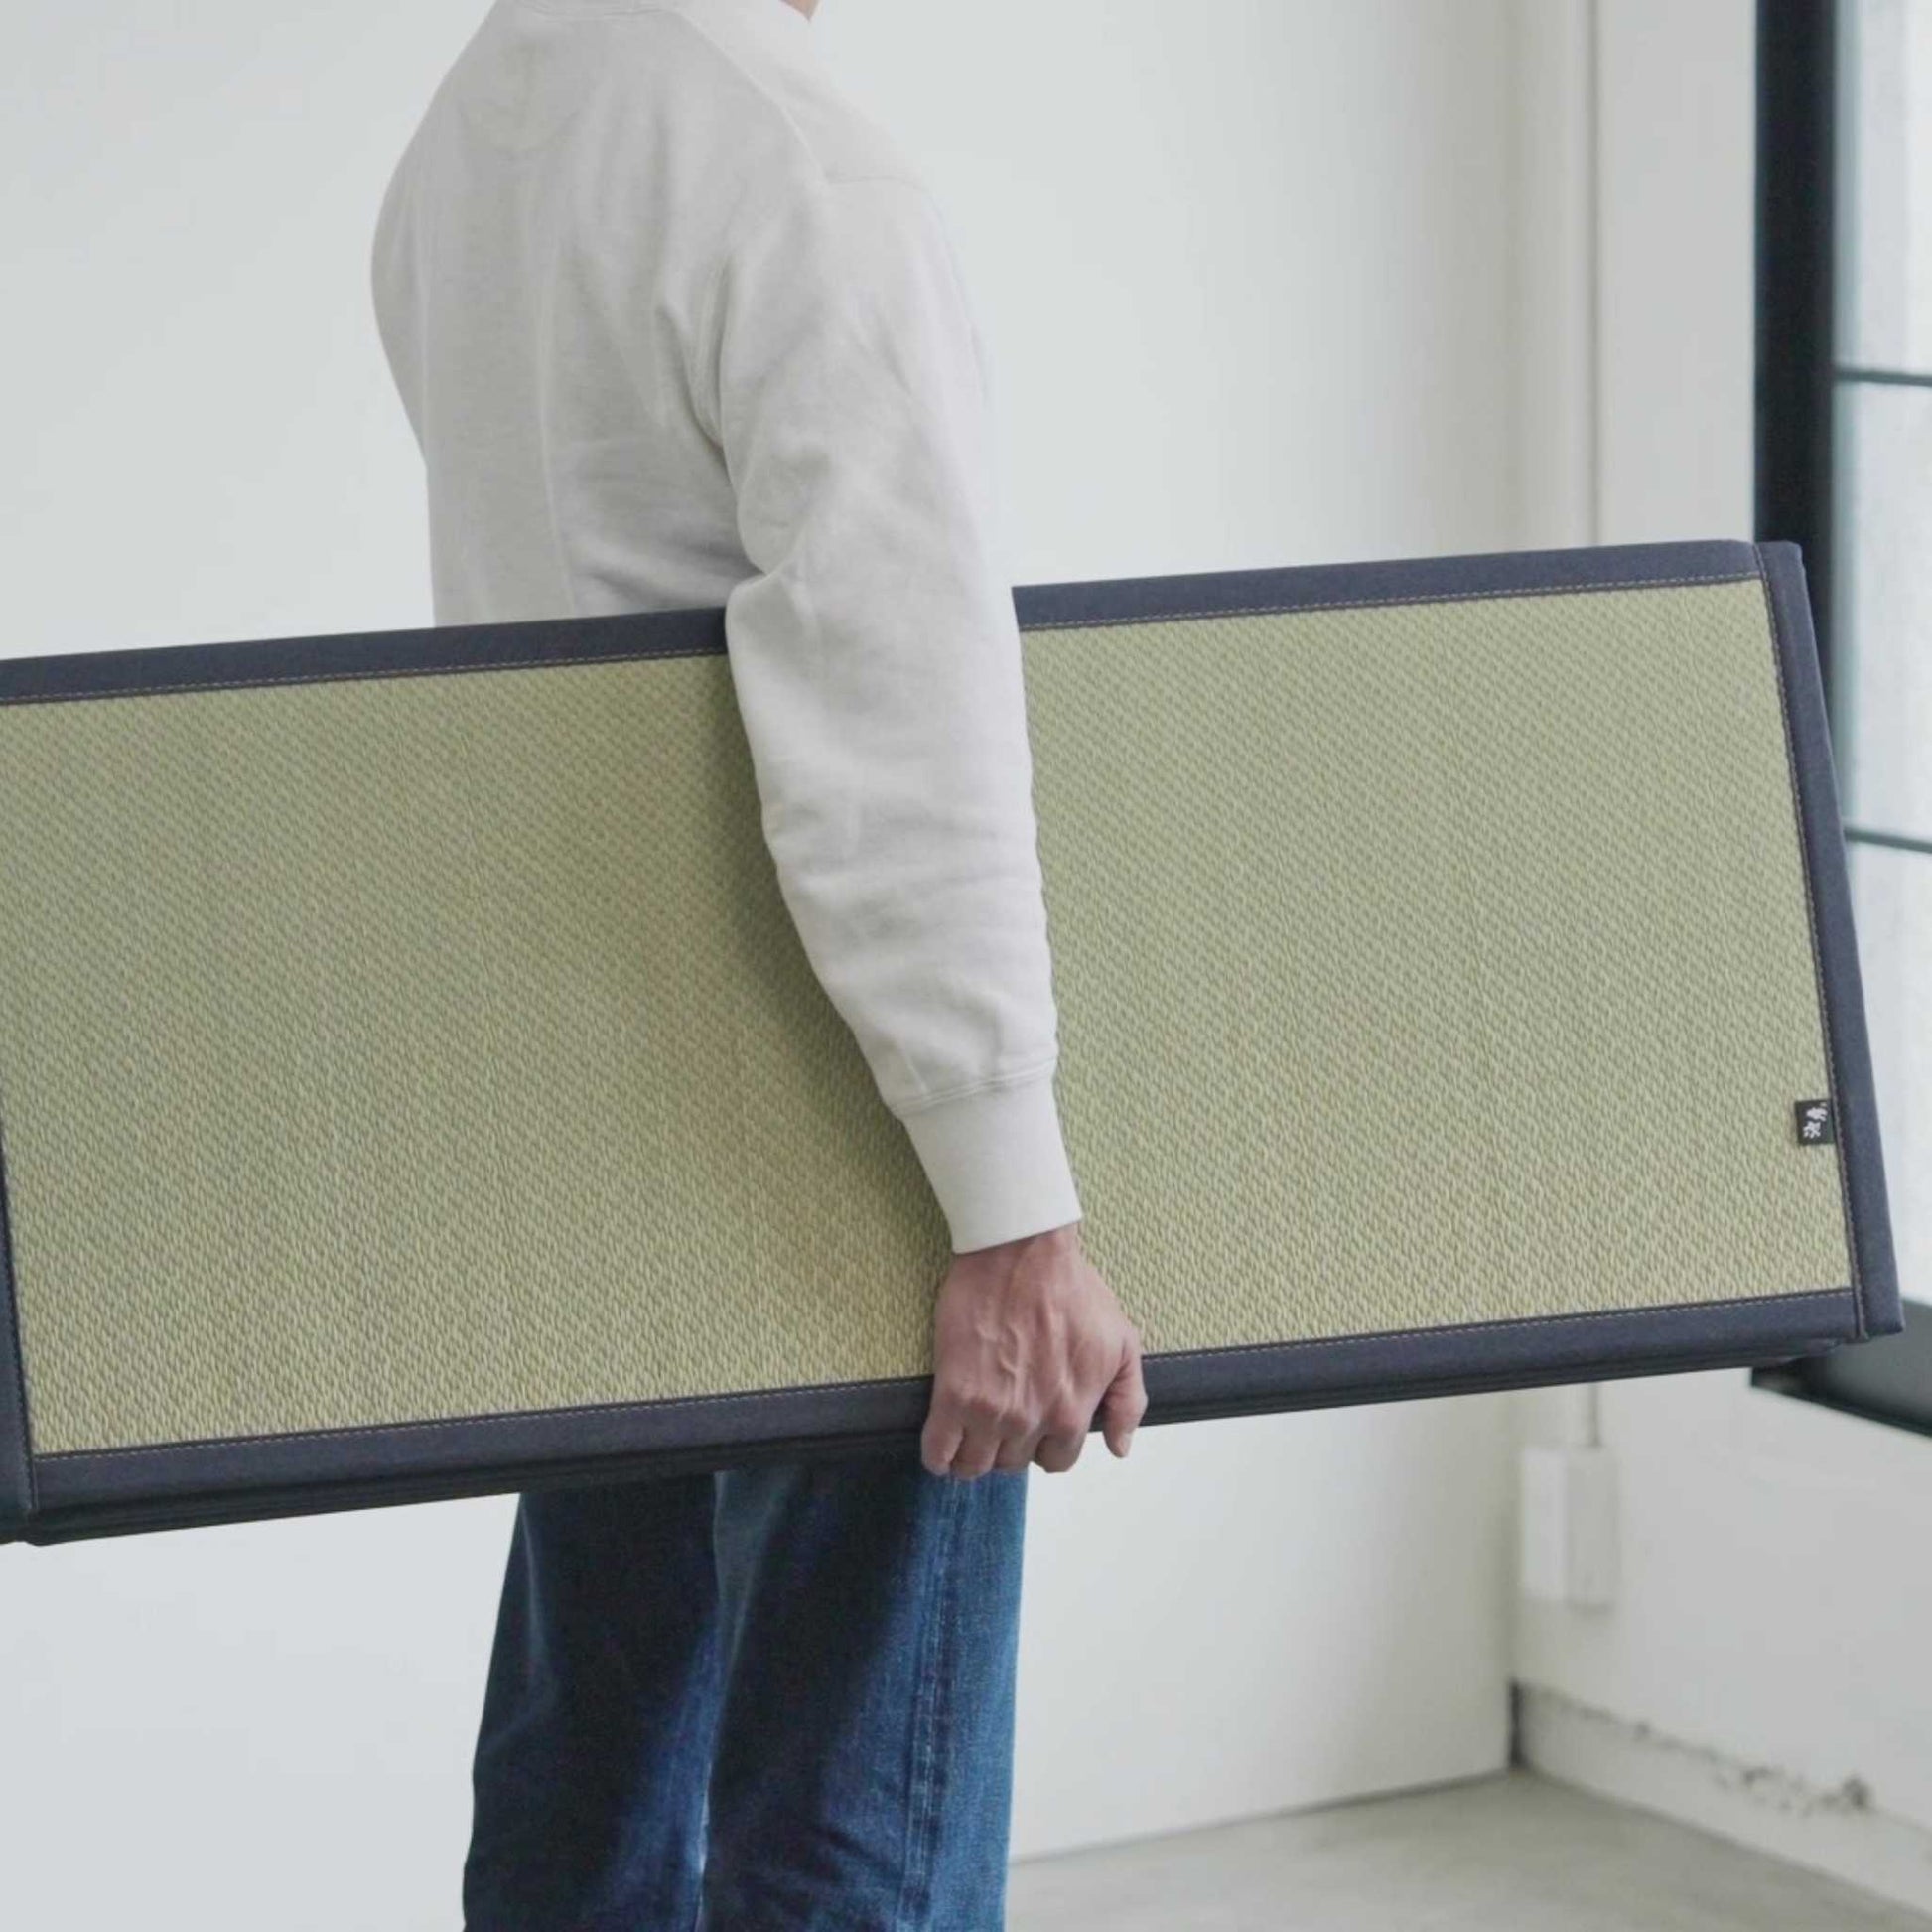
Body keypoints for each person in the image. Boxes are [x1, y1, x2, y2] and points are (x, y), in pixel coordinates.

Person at [369, 0, 1147, 1923]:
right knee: (850, 1822)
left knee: (591, 1774)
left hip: (593, 1104)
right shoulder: (799, 167)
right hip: (817, 1121)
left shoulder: (475, 128)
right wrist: (1007, 1211)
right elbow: (894, 720)